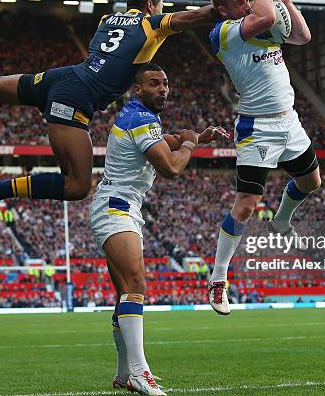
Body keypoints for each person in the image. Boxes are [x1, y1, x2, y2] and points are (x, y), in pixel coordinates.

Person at [0, 0, 217, 232]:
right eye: (158, 9)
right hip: (76, 97)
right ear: (150, 6)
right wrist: (238, 9)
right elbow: (203, 15)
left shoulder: (106, 19)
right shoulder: (151, 23)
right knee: (77, 186)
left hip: (63, 76)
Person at [89, 63, 227, 394]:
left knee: (125, 293)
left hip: (119, 206)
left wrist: (195, 136)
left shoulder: (140, 115)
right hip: (116, 207)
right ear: (138, 89)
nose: (163, 89)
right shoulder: (140, 119)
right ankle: (140, 371)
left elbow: (169, 138)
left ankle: (125, 375)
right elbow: (171, 167)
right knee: (137, 284)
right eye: (154, 83)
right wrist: (191, 146)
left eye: (166, 83)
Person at [206, 0, 321, 315]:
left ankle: (282, 221)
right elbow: (268, 17)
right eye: (240, 2)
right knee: (246, 205)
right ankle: (217, 280)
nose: (247, 5)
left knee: (312, 182)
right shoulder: (223, 33)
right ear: (223, 9)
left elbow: (302, 36)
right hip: (258, 127)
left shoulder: (260, 26)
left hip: (289, 119)